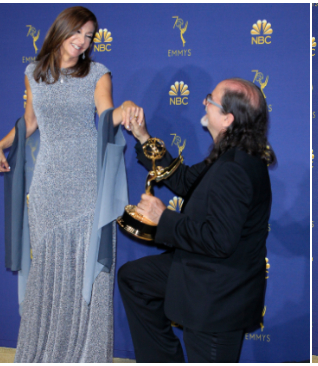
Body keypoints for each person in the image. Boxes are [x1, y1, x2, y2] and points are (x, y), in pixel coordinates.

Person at [0, 6, 141, 362]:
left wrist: (126, 109)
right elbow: (30, 123)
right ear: (61, 30)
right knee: (48, 271)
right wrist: (1, 143)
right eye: (79, 33)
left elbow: (107, 117)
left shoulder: (98, 74)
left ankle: (85, 354)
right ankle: (45, 352)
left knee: (87, 268)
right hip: (47, 185)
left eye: (90, 36)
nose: (83, 42)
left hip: (87, 182)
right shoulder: (33, 73)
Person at [117, 78, 274, 363]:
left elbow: (218, 240)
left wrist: (162, 217)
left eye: (210, 99)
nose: (204, 102)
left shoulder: (235, 168)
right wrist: (143, 137)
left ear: (227, 118)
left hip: (217, 295)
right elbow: (184, 180)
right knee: (134, 278)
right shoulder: (230, 156)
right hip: (207, 269)